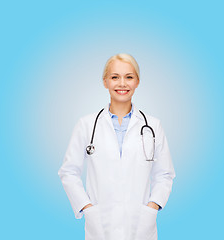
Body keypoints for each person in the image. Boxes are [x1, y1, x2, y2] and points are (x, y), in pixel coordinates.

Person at [58, 53, 176, 240]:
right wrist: (87, 208)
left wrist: (152, 207)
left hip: (141, 226)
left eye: (129, 77)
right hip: (100, 227)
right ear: (105, 82)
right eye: (115, 77)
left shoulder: (153, 126)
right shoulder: (86, 125)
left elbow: (165, 174)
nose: (122, 83)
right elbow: (69, 172)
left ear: (137, 82)